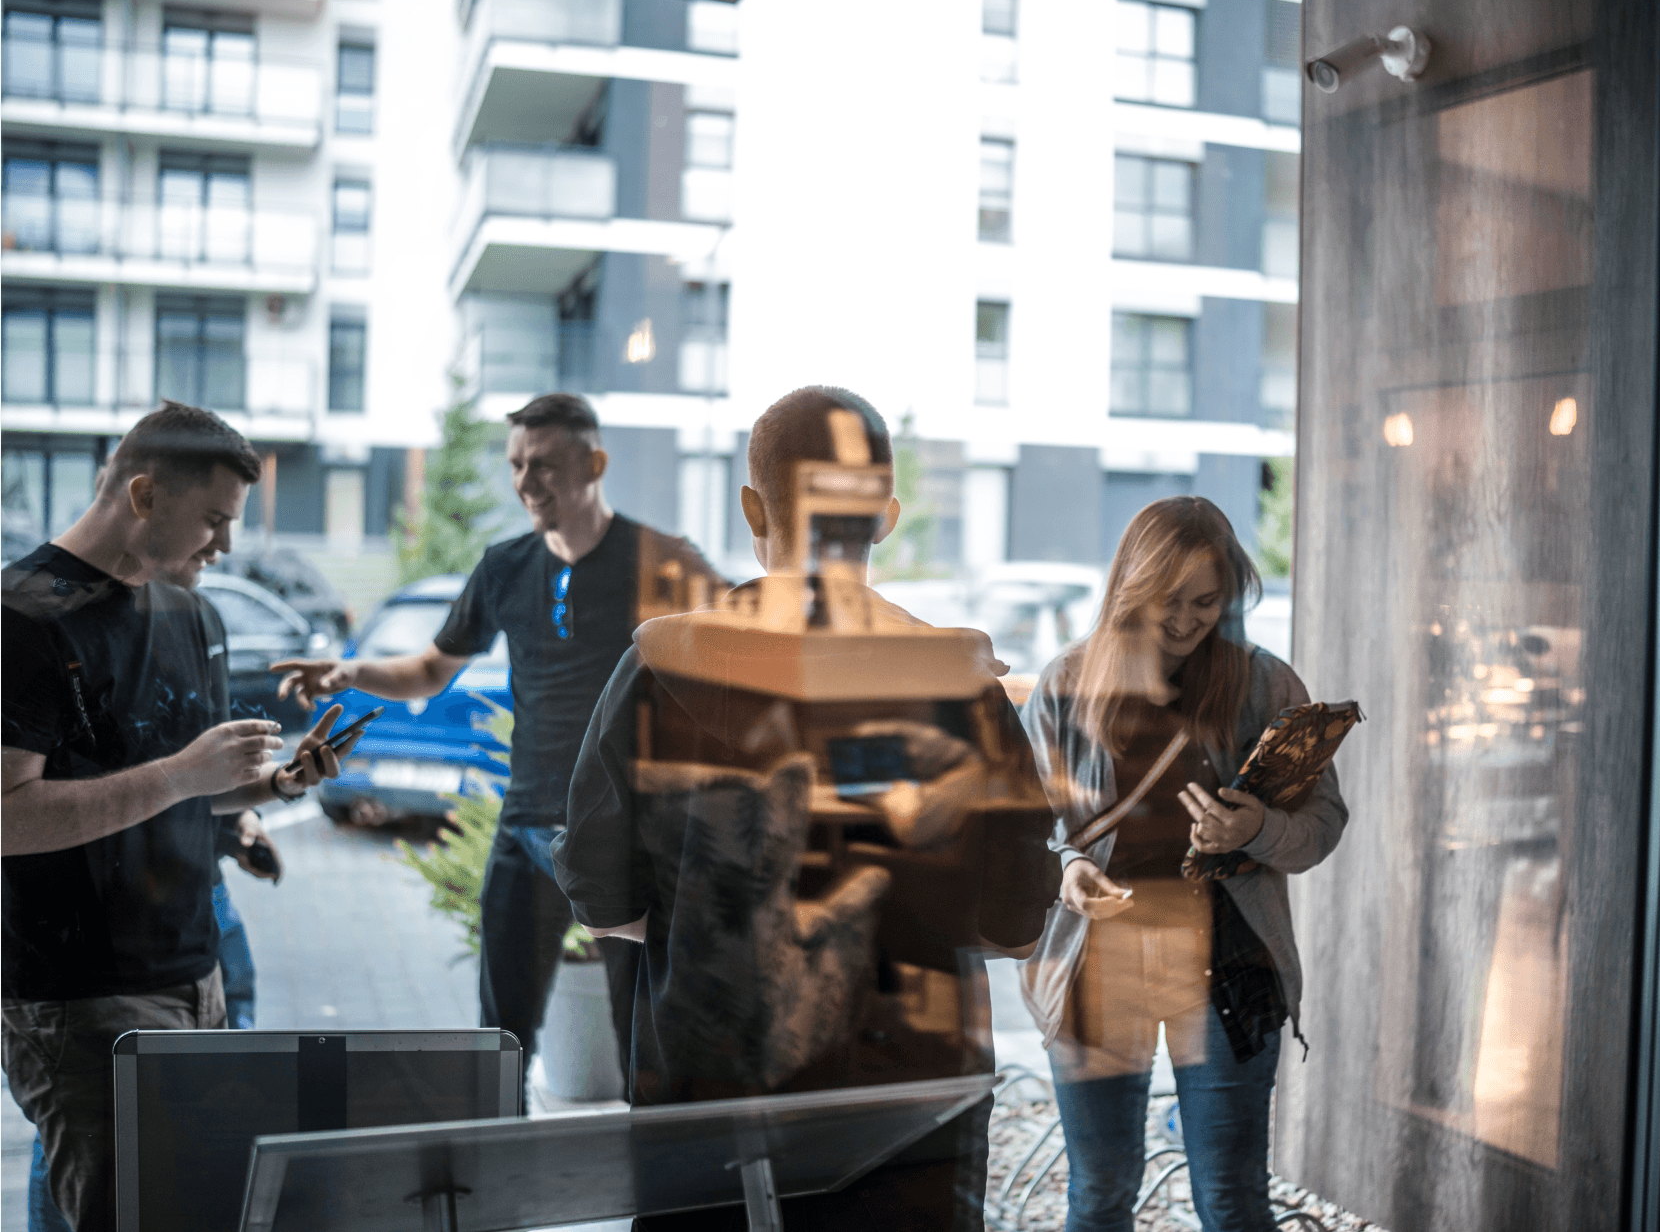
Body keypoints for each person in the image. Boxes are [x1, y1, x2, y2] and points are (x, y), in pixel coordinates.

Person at [555, 385, 1058, 1230]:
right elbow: (1013, 925)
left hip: (711, 1103)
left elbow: (602, 900)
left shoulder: (657, 670)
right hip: (911, 1117)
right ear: (886, 517)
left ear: (751, 504)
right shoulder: (964, 692)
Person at [273, 393, 724, 1097]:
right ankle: (493, 1179)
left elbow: (734, 651)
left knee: (645, 1039)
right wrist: (351, 671)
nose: (525, 481)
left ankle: (653, 1176)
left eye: (542, 464)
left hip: (627, 833)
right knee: (499, 1036)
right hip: (526, 823)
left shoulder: (661, 560)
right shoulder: (504, 566)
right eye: (516, 464)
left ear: (594, 462)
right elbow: (430, 668)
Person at [1, 402, 364, 1232]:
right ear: (141, 493)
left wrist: (273, 785)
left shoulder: (195, 612)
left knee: (158, 1202)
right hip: (78, 991)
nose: (225, 547)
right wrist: (177, 775)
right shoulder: (20, 618)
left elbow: (194, 788)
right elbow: (6, 814)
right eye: (212, 521)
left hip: (194, 972)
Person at [1017, 495, 1348, 1232]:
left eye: (1206, 601)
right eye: (1167, 599)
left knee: (1231, 1198)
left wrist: (1257, 827)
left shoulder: (1264, 684)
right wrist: (1068, 869)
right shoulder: (1066, 683)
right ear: (1128, 586)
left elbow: (1323, 825)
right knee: (1099, 1193)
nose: (1185, 620)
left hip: (1228, 961)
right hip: (1098, 963)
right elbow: (1025, 827)